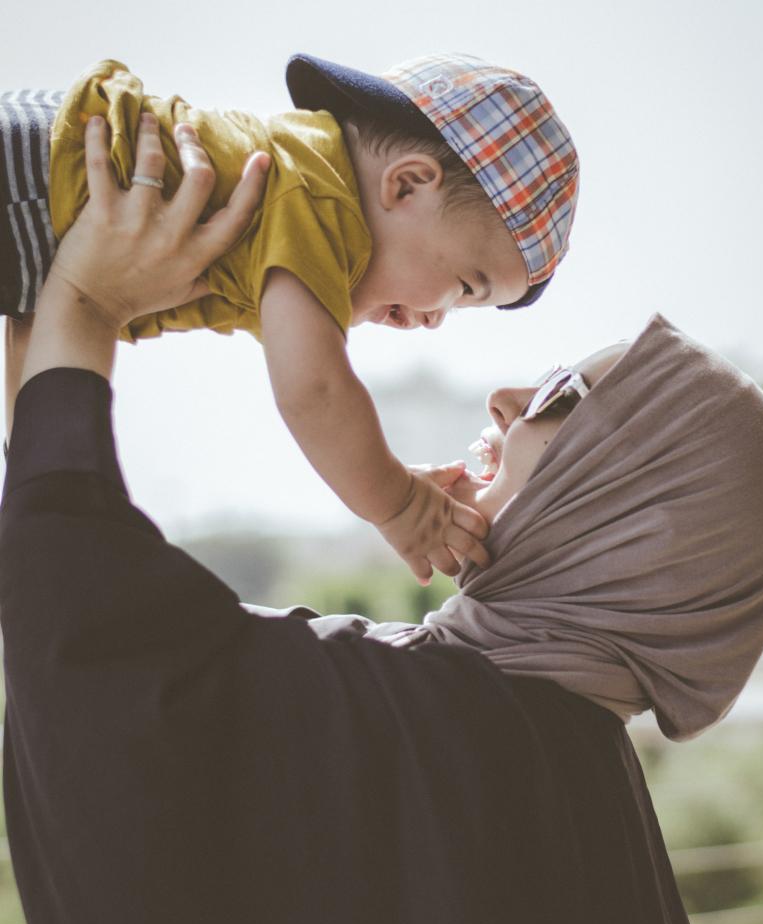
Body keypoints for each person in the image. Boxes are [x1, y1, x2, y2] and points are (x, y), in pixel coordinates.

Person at [0, 121, 763, 924]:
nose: (504, 396)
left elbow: (100, 638)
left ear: (632, 519)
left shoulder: (441, 730)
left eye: (558, 396)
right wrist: (43, 333)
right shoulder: (567, 773)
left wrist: (82, 302)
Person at [0, 52, 579, 584]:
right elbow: (315, 390)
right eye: (463, 287)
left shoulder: (298, 198)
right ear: (406, 185)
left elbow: (41, 311)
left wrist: (32, 457)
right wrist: (399, 504)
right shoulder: (320, 203)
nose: (435, 321)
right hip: (27, 176)